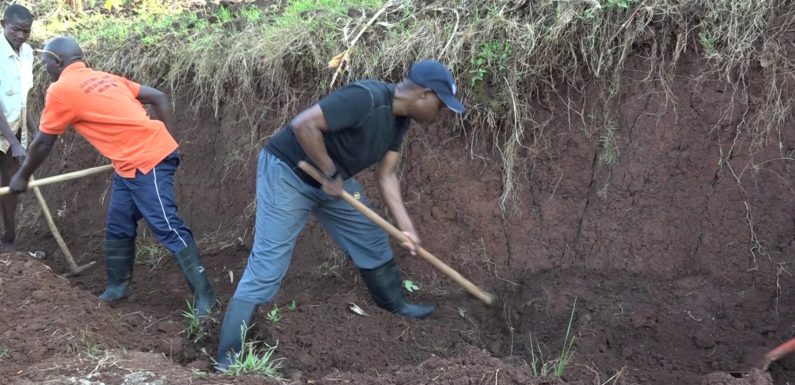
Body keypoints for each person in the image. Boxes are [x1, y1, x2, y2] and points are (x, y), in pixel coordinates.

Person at [214, 59, 464, 369]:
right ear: (424, 94)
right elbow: (304, 124)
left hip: (333, 181)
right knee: (268, 264)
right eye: (441, 105)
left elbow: (386, 175)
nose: (440, 114)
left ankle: (395, 307)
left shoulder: (400, 121)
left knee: (371, 237)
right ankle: (228, 357)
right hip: (289, 173)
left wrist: (406, 227)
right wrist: (331, 171)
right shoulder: (366, 97)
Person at [9, 36, 215, 317]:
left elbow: (44, 142)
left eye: (45, 64)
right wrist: (168, 138)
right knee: (118, 223)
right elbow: (159, 97)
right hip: (128, 165)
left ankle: (205, 297)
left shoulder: (61, 90)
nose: (45, 69)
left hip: (147, 161)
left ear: (57, 62)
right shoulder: (105, 77)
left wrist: (22, 176)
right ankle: (118, 288)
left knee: (166, 224)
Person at [0, 4, 34, 253]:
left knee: (10, 188)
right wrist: (12, 141)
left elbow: (26, 97)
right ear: (3, 24)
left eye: (26, 31)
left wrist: (35, 132)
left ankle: (8, 240)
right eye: (16, 30)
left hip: (14, 131)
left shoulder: (28, 53)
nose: (21, 36)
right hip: (7, 134)